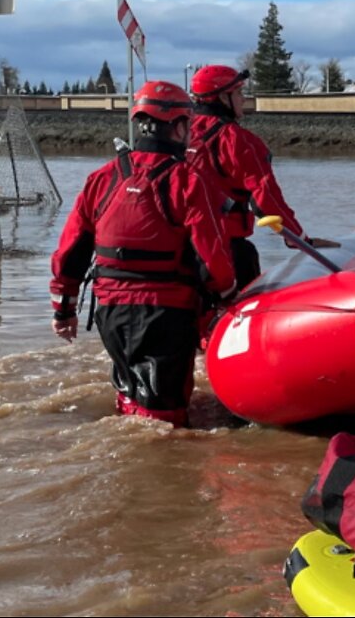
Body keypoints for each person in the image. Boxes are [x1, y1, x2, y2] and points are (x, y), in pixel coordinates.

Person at [50, 81, 236, 428]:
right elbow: (212, 257)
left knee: (130, 392)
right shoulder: (188, 181)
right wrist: (228, 298)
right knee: (165, 418)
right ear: (178, 126)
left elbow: (71, 248)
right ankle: (161, 473)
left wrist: (63, 311)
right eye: (189, 124)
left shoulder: (103, 177)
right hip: (165, 312)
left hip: (110, 314)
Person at [187, 65, 338, 289]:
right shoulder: (237, 140)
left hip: (182, 250)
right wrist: (300, 239)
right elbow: (265, 198)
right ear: (222, 97)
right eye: (238, 93)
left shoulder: (181, 132)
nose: (243, 99)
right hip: (227, 250)